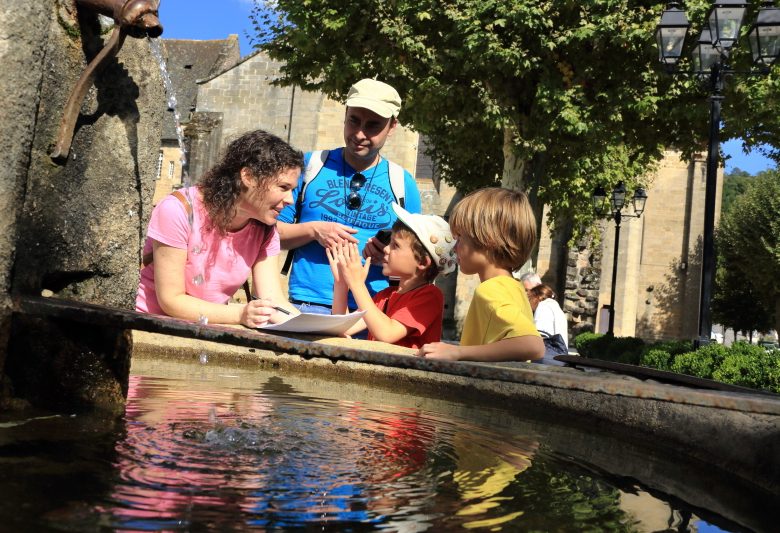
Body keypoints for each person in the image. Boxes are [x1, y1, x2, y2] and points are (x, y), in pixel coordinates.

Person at [276, 78, 421, 315]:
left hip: (371, 312)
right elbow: (271, 235)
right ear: (345, 115)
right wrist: (314, 230)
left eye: (373, 125)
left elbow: (416, 265)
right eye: (354, 120)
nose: (360, 133)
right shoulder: (309, 166)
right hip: (308, 305)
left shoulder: (403, 185)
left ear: (392, 126)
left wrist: (387, 257)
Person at [136, 129, 301, 327]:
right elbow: (171, 300)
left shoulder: (265, 228)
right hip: (150, 329)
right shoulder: (179, 209)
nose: (291, 199)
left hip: (208, 331)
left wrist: (316, 329)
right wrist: (239, 315)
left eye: (292, 189)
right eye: (283, 187)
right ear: (248, 176)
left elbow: (274, 300)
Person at [419, 188, 544, 362]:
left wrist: (457, 353)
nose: (454, 247)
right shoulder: (514, 287)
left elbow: (532, 345)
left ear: (487, 239)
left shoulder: (491, 290)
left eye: (460, 238)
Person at [326, 204, 456, 348]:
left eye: (396, 245)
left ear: (422, 262)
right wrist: (342, 283)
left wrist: (357, 284)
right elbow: (343, 327)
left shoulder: (430, 296)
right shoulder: (384, 296)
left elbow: (387, 333)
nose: (386, 249)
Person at [527, 284, 569, 364]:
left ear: (537, 297)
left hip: (547, 358)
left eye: (530, 298)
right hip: (560, 356)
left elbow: (540, 336)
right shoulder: (556, 308)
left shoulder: (543, 306)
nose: (528, 302)